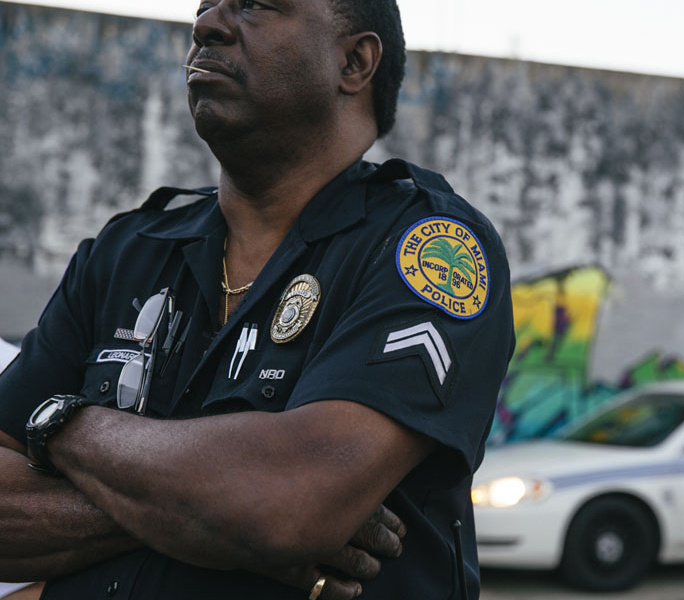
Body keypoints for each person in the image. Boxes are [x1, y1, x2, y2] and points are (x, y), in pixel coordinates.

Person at [0, 0, 515, 598]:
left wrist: (63, 425)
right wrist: (217, 519)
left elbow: (288, 502)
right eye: (205, 6)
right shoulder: (126, 251)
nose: (207, 25)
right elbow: (263, 513)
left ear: (354, 62)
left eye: (256, 5)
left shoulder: (431, 248)